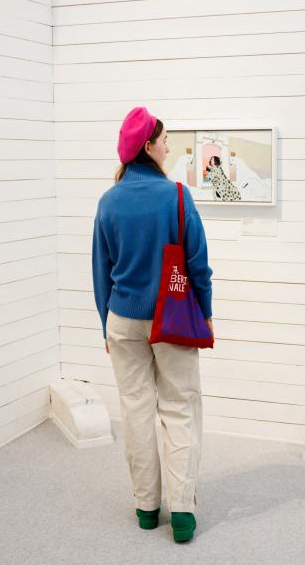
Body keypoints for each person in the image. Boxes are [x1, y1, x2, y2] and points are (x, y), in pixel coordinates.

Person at [91, 107, 213, 543]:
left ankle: (146, 508)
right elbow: (198, 265)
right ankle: (181, 513)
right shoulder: (176, 196)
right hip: (172, 318)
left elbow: (100, 270)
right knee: (179, 408)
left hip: (122, 320)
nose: (168, 146)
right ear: (148, 147)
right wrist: (208, 310)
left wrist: (106, 323)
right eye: (163, 140)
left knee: (137, 411)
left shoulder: (109, 201)